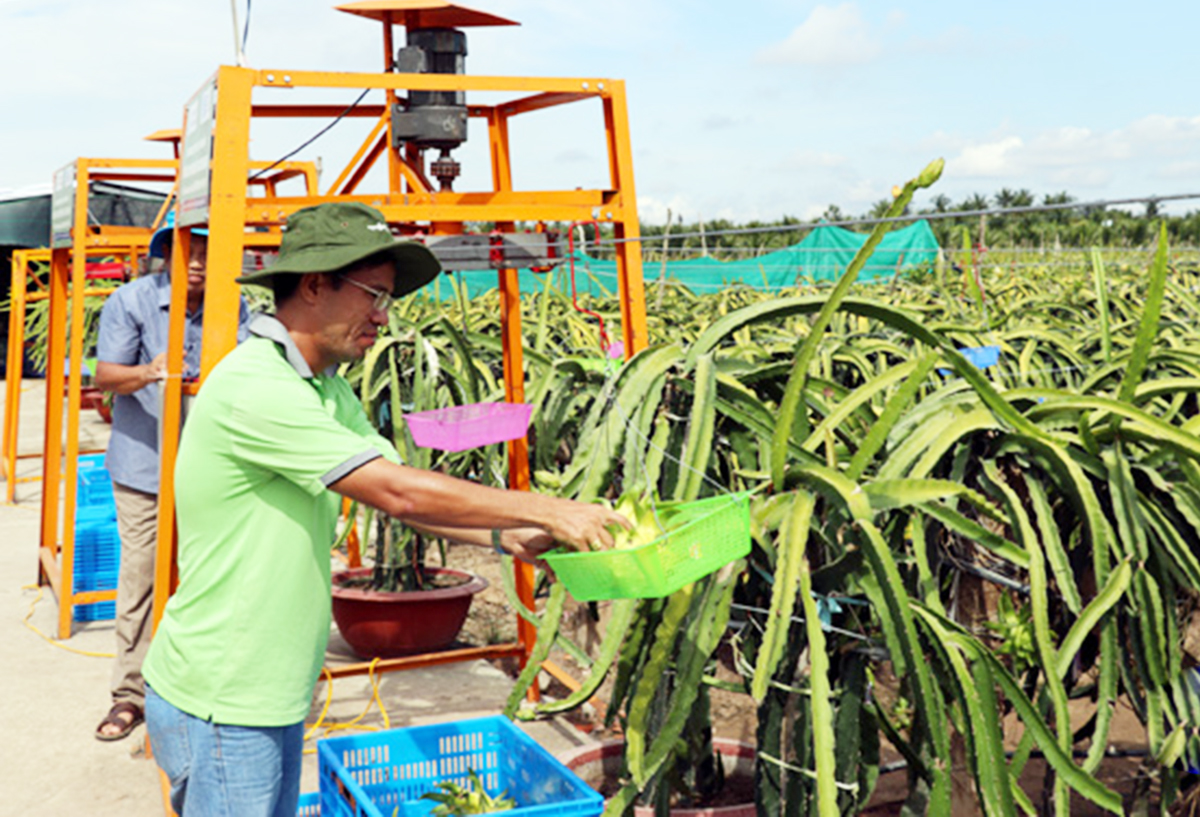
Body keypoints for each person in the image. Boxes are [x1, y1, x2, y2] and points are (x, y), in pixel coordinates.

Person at [141, 202, 628, 817]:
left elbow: (395, 494)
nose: (382, 316)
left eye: (387, 300)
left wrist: (513, 534)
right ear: (315, 285)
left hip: (266, 688)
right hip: (224, 696)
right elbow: (400, 492)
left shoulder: (323, 386)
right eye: (373, 295)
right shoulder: (255, 389)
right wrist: (554, 509)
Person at [92, 213, 251, 741]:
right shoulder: (132, 301)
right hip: (144, 467)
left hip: (211, 470)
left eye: (211, 249)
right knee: (141, 577)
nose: (201, 261)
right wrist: (151, 372)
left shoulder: (237, 307)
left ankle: (202, 685)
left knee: (211, 576)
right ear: (168, 254)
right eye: (190, 250)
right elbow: (105, 376)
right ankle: (130, 695)